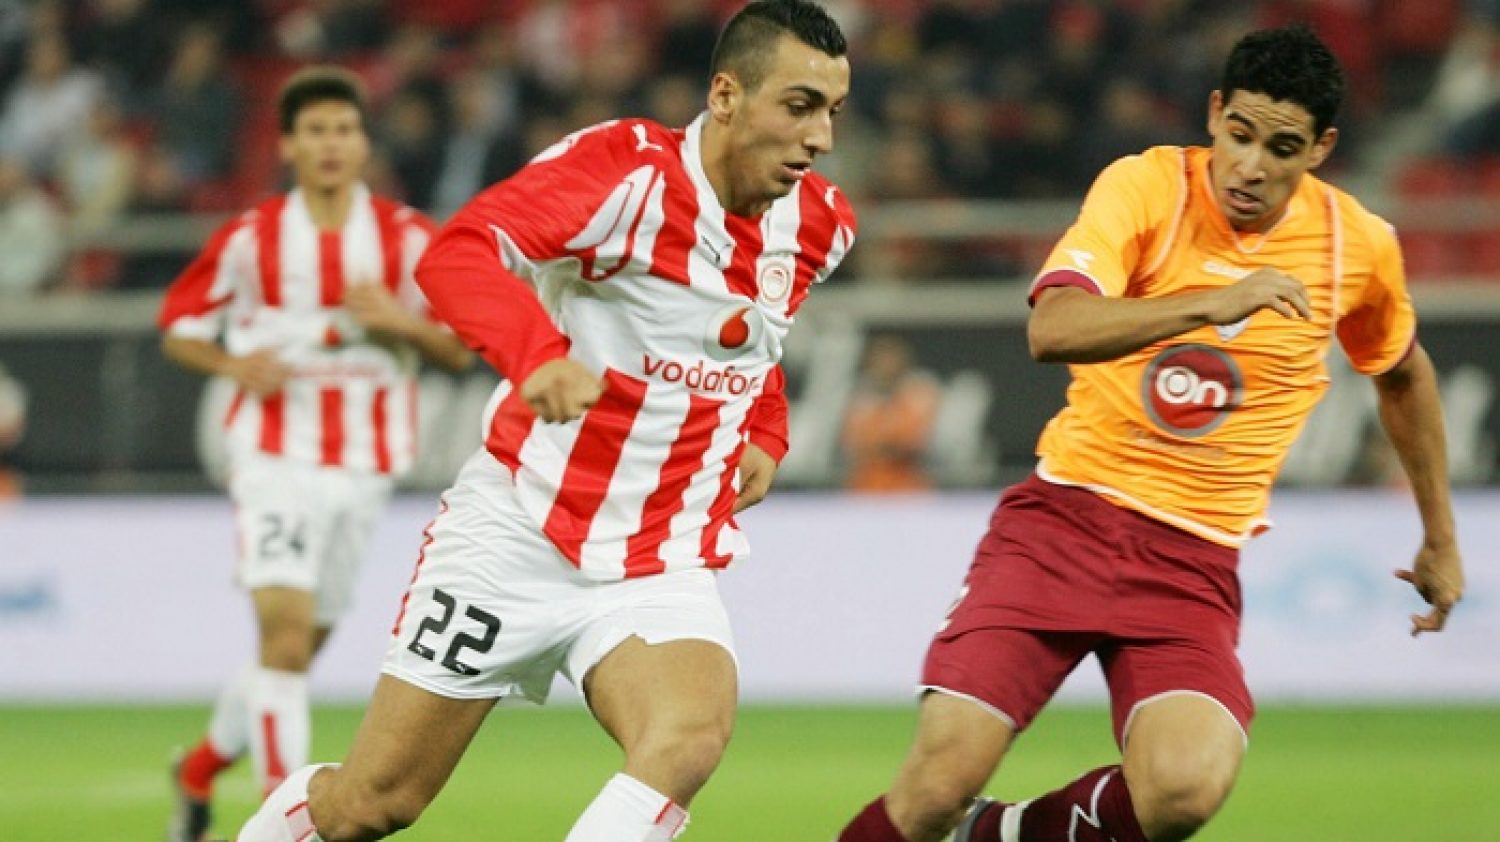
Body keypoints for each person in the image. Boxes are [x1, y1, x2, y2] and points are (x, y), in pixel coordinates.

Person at [238, 2, 855, 840]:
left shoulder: (821, 223)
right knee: (374, 804)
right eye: (799, 106)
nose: (820, 138)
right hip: (519, 532)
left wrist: (767, 432)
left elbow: (756, 337)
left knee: (686, 738)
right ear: (725, 96)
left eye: (832, 112)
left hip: (659, 554)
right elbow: (459, 252)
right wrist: (536, 357)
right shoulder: (626, 174)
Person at [839, 24, 1465, 842]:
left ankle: (994, 835)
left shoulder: (1358, 246)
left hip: (1191, 562)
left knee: (1183, 791)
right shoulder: (1146, 187)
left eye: (1281, 148)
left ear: (1321, 149)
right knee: (935, 788)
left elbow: (1404, 374)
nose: (1251, 166)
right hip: (1062, 524)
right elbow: (1052, 328)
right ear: (1214, 113)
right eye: (1239, 134)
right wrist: (1210, 302)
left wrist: (1439, 535)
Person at [158, 66, 472, 842]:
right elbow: (181, 328)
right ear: (289, 145)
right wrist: (233, 365)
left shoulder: (407, 238)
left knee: (292, 656)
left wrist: (397, 322)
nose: (331, 144)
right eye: (316, 131)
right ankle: (286, 821)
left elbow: (459, 349)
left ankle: (199, 769)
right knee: (287, 641)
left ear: (363, 144)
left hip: (364, 467)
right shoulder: (251, 240)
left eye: (345, 129)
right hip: (274, 457)